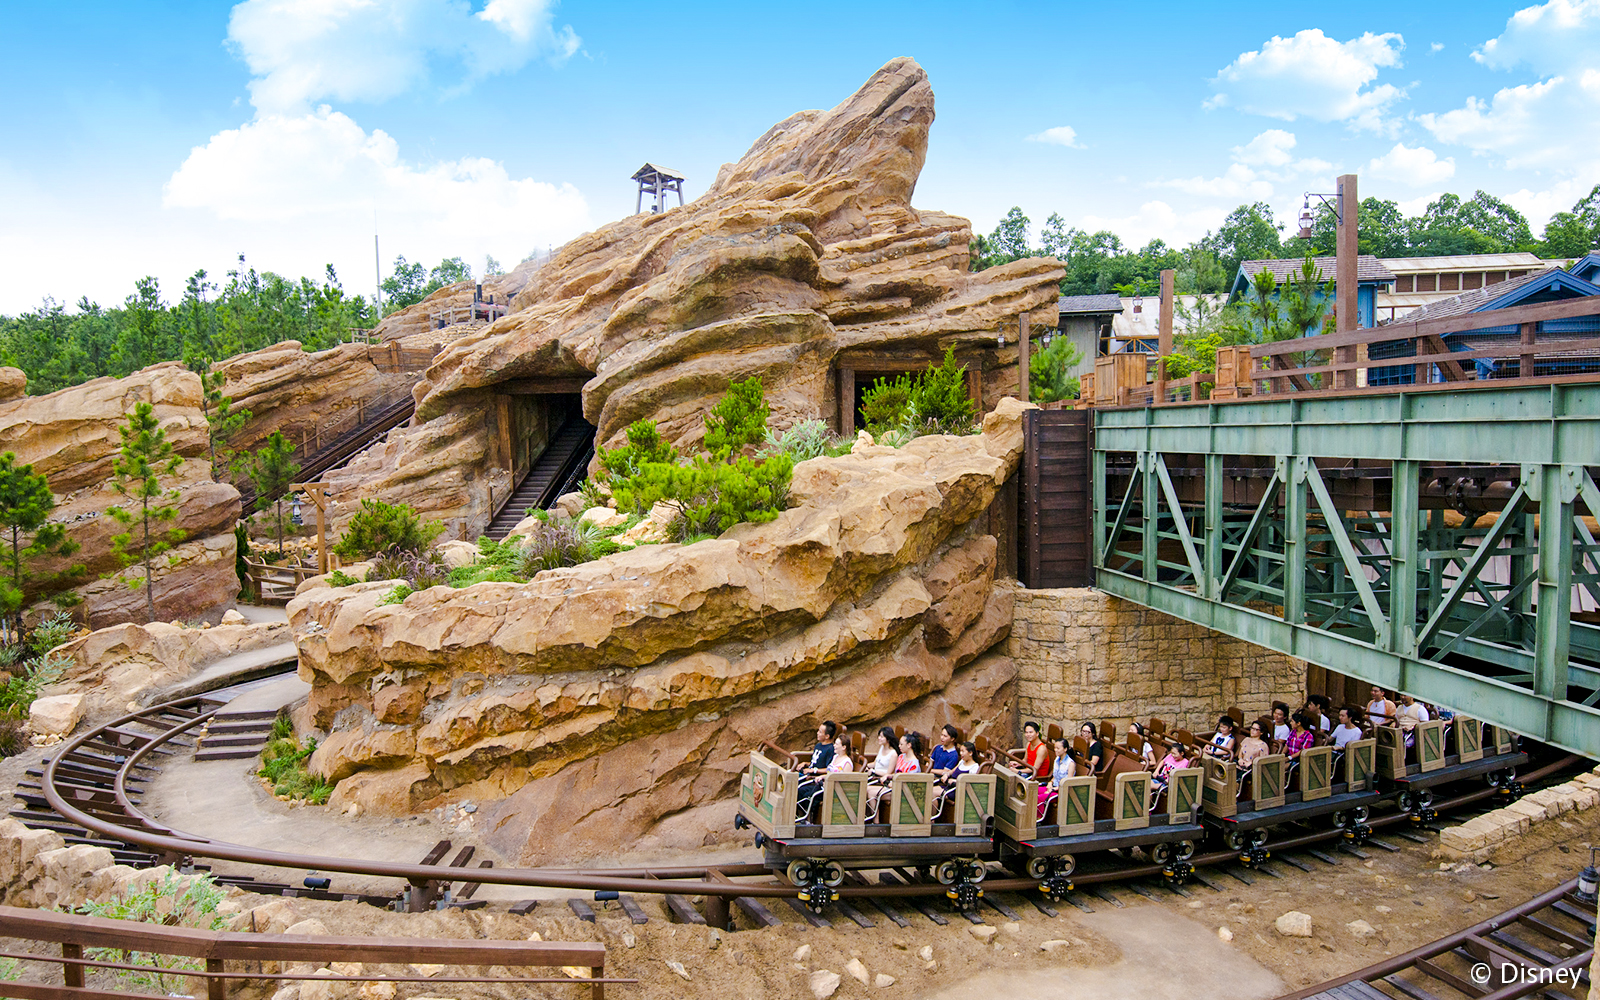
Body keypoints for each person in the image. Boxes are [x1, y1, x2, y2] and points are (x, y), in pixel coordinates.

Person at [797, 734, 854, 820]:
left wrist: (827, 780)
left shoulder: (847, 763)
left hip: (834, 789)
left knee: (811, 796)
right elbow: (829, 771)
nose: (834, 745)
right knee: (801, 791)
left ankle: (810, 820)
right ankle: (801, 816)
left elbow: (845, 782)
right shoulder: (835, 757)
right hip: (823, 784)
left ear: (843, 747)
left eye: (837, 744)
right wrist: (822, 777)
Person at [1038, 736, 1077, 819]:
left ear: (1065, 749)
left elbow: (1068, 783)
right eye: (1055, 748)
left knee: (1040, 798)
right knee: (1034, 791)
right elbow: (1054, 777)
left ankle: (1039, 818)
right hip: (1052, 786)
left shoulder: (1070, 764)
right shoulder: (1056, 759)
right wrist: (1050, 783)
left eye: (1058, 748)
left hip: (1060, 791)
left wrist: (1053, 789)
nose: (1055, 750)